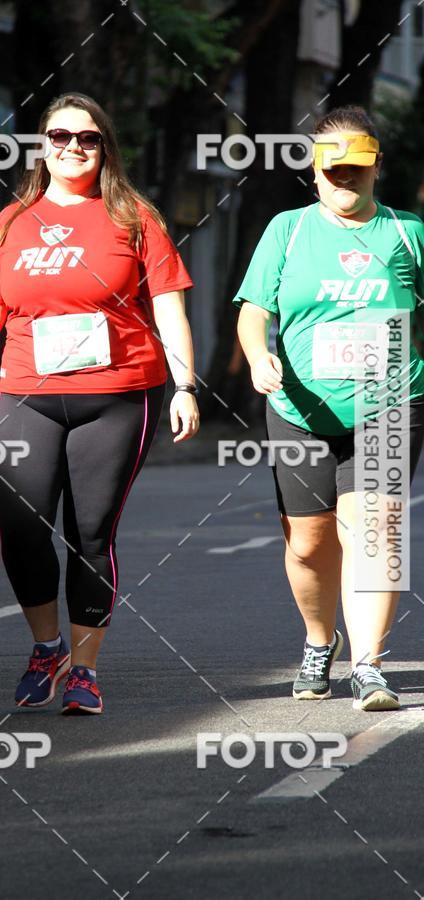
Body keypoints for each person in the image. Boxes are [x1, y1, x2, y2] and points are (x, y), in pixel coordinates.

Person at [0, 92, 199, 715]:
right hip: (26, 395)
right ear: (43, 145)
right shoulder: (11, 223)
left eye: (87, 138)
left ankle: (85, 670)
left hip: (117, 395)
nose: (73, 147)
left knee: (90, 534)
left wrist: (186, 385)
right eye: (59, 136)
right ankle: (46, 647)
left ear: (104, 147)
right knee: (20, 530)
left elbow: (167, 303)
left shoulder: (135, 216)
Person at [235, 105, 424, 711]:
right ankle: (321, 640)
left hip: (390, 402)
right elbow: (253, 310)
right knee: (309, 543)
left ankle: (368, 664)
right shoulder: (286, 231)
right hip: (299, 407)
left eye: (358, 170)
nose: (346, 179)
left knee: (377, 530)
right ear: (314, 171)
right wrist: (260, 356)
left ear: (377, 169)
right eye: (334, 169)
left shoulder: (407, 233)